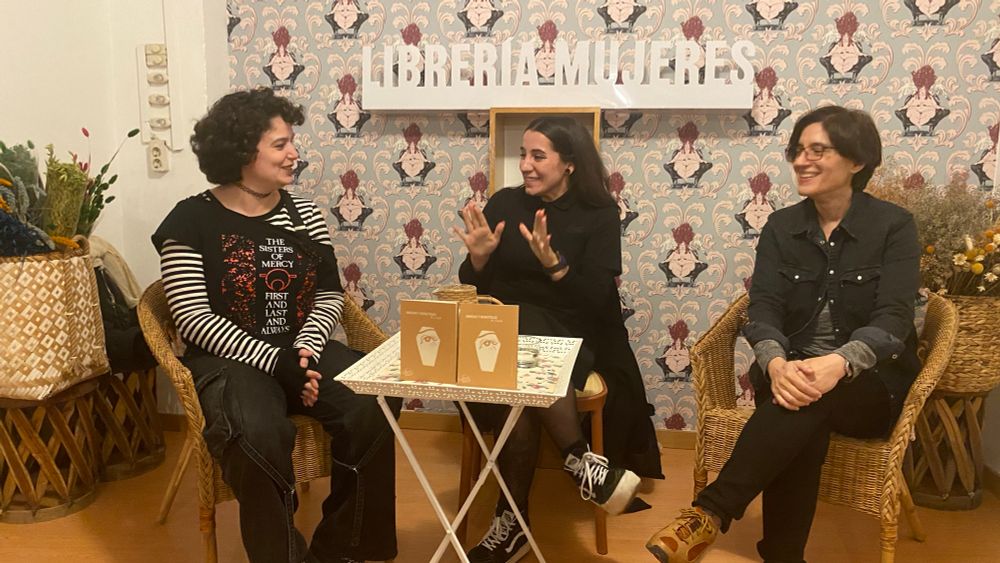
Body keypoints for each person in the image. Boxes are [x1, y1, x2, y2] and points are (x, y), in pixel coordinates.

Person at [646, 106, 921, 563]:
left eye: (818, 150)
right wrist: (775, 362)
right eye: (797, 150)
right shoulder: (782, 227)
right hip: (791, 372)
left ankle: (710, 513)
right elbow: (764, 308)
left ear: (856, 160)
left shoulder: (893, 226)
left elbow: (894, 319)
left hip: (870, 384)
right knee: (801, 404)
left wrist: (838, 363)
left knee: (805, 398)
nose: (802, 160)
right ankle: (781, 554)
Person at [151, 88, 398, 563]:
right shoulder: (190, 220)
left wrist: (303, 350)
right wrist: (276, 362)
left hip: (300, 349)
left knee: (377, 399)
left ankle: (343, 547)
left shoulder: (303, 213)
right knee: (255, 430)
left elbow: (328, 293)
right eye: (280, 144)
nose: (294, 154)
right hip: (228, 362)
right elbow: (193, 319)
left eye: (291, 142)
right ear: (244, 150)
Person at [455, 116, 664, 563]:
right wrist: (477, 258)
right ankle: (580, 462)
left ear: (569, 163)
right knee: (520, 360)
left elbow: (593, 299)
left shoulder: (599, 213)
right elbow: (475, 286)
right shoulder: (505, 204)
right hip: (508, 335)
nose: (525, 165)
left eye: (538, 156)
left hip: (575, 332)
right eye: (523, 155)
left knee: (523, 365)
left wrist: (554, 264)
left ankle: (511, 523)